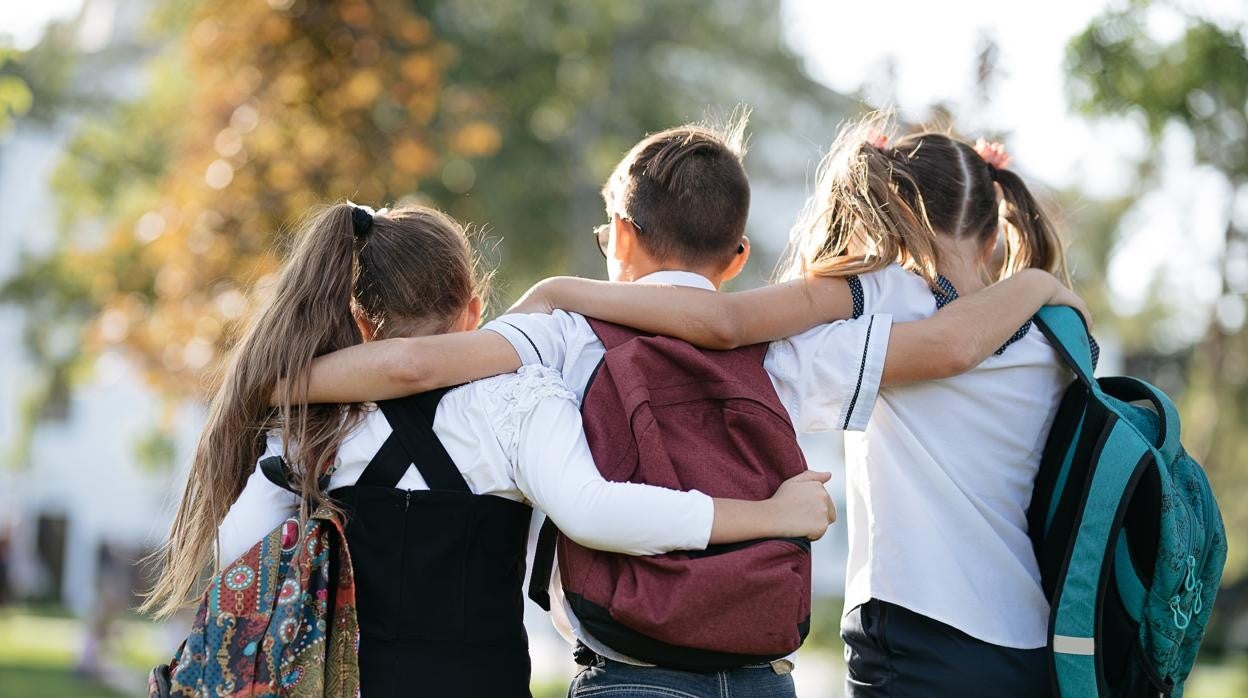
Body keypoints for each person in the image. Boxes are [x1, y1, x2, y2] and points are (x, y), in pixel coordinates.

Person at [294, 118, 1086, 696]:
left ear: (619, 237)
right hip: (764, 670)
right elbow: (929, 343)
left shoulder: (563, 333)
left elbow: (416, 363)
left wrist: (273, 380)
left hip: (633, 667)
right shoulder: (795, 349)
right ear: (738, 255)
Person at [141, 202, 838, 698]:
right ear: (475, 309)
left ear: (358, 319)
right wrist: (769, 515)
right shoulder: (520, 401)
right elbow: (595, 512)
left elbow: (239, 549)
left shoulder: (310, 420)